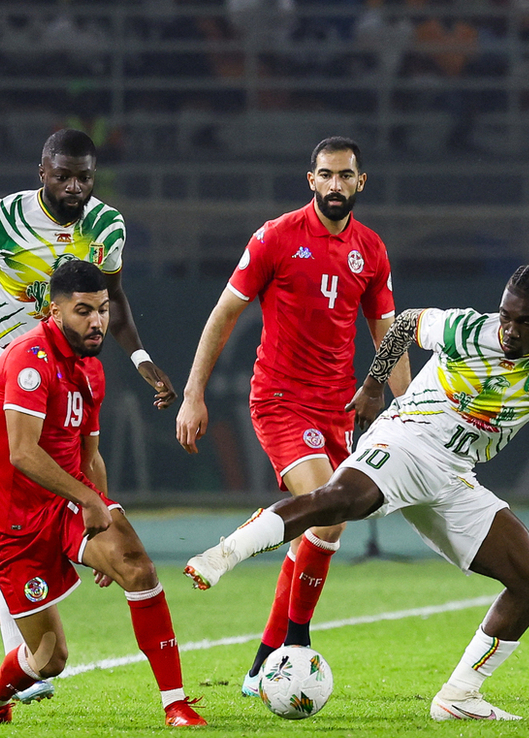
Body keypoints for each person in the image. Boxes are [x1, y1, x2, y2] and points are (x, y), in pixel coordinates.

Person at [183, 263, 529, 719]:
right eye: (506, 316)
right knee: (340, 501)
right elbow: (407, 323)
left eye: (524, 322)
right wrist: (372, 385)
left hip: (454, 477)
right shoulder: (470, 329)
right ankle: (223, 554)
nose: (509, 331)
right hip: (409, 436)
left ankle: (459, 696)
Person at [0, 129, 177, 704]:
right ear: (42, 172)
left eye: (84, 176)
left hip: (63, 370)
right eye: (64, 175)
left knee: (35, 502)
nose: (75, 186)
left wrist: (140, 357)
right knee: (19, 494)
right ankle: (21, 657)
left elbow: (116, 298)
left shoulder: (106, 227)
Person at [175, 136, 411, 691]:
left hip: (339, 408)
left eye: (345, 176)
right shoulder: (276, 237)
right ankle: (296, 642)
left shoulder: (371, 250)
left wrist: (414, 410)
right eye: (325, 175)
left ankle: (264, 659)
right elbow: (224, 314)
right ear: (311, 180)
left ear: (361, 182)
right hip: (281, 400)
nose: (335, 185)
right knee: (325, 510)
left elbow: (388, 335)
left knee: (326, 528)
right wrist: (193, 394)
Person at [0, 260, 203, 727]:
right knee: (50, 657)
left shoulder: (91, 370)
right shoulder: (28, 361)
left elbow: (89, 454)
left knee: (137, 568)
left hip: (66, 504)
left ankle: (175, 705)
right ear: (53, 311)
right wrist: (90, 498)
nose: (96, 321)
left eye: (102, 310)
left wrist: (102, 515)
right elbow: (22, 453)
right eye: (83, 311)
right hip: (12, 520)